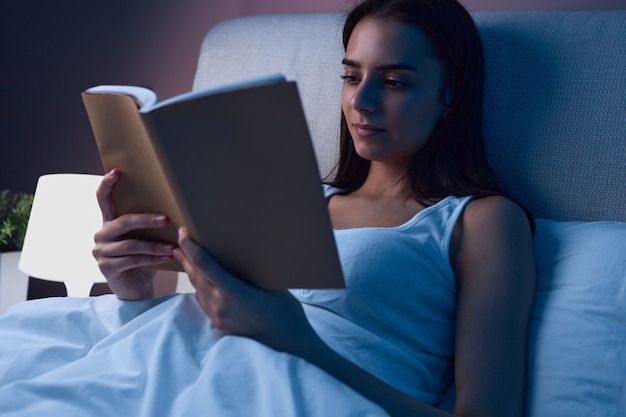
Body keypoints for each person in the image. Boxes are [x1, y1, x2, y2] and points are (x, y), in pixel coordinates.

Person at [1, 0, 535, 416]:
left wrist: (299, 341)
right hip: (169, 358)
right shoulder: (291, 198)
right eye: (351, 76)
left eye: (394, 82)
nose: (362, 101)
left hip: (300, 390)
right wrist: (134, 286)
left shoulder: (479, 221)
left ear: (450, 95)